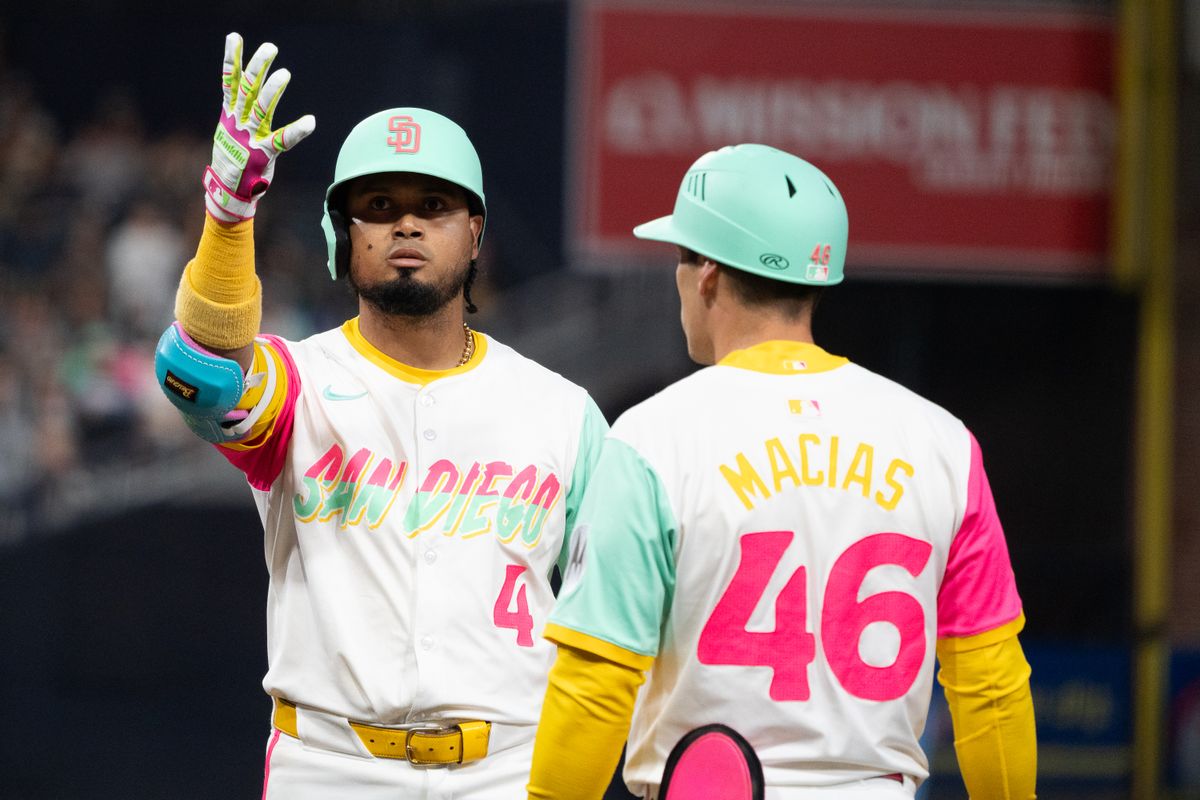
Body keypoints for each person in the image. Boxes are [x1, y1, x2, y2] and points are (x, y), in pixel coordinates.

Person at [153, 34, 607, 799]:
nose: (404, 225)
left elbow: (612, 625)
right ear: (342, 236)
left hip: (508, 768)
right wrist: (229, 219)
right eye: (378, 206)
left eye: (433, 205)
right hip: (331, 765)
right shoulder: (297, 379)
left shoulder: (563, 411)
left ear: (476, 234)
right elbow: (199, 372)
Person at [527, 144, 1037, 800]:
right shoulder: (943, 443)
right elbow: (991, 687)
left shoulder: (654, 439)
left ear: (706, 272)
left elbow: (596, 682)